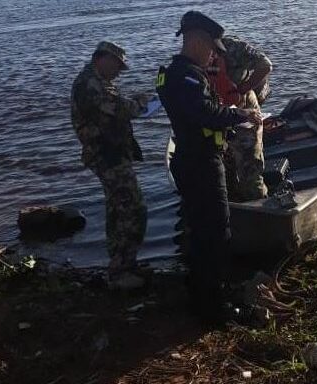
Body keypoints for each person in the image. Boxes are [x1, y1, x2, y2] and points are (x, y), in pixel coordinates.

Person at [156, 11, 262, 320]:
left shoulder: (171, 74)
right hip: (201, 161)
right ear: (198, 41)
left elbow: (198, 112)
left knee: (199, 228)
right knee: (216, 232)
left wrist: (224, 115)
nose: (214, 54)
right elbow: (204, 113)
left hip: (189, 158)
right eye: (212, 47)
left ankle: (199, 292)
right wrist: (240, 115)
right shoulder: (188, 75)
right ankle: (216, 306)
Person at [71, 41, 149, 289]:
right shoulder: (88, 84)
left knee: (124, 206)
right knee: (128, 207)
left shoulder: (98, 82)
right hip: (106, 155)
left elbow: (116, 106)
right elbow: (118, 108)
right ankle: (120, 271)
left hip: (113, 153)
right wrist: (142, 103)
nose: (119, 71)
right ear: (102, 58)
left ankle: (125, 264)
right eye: (117, 65)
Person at [209, 36, 273, 201]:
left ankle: (260, 204)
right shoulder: (194, 54)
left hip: (243, 105)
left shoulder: (233, 47)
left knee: (250, 164)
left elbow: (265, 65)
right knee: (225, 164)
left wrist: (243, 88)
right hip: (217, 110)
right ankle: (234, 204)